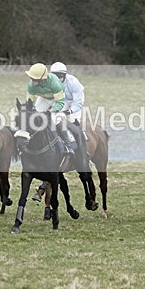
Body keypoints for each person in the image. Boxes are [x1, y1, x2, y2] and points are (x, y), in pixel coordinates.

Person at [31, 62, 88, 202]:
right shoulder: (49, 81)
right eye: (54, 75)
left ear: (64, 75)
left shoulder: (73, 83)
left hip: (71, 106)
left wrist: (68, 111)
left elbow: (79, 102)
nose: (57, 78)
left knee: (72, 125)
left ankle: (79, 148)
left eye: (59, 76)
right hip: (56, 102)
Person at [24, 63, 78, 155]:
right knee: (35, 117)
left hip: (57, 100)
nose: (32, 81)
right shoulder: (31, 85)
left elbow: (60, 102)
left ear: (42, 80)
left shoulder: (54, 82)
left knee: (55, 119)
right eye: (31, 78)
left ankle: (69, 145)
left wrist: (50, 111)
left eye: (34, 79)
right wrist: (29, 111)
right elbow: (30, 101)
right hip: (43, 99)